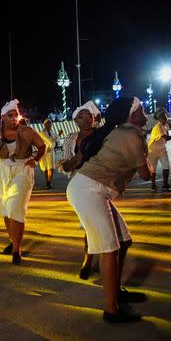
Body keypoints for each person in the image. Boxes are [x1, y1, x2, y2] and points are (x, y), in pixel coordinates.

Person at [66, 96, 152, 323]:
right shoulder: (129, 134)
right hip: (88, 189)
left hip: (93, 189)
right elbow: (146, 174)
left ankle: (116, 292)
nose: (145, 112)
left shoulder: (125, 132)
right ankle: (111, 309)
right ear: (132, 115)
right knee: (110, 247)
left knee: (123, 241)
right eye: (141, 108)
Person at [0, 99, 47, 265]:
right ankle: (13, 241)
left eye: (16, 115)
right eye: (10, 116)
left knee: (16, 208)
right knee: (6, 209)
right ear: (2, 117)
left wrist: (36, 160)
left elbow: (43, 146)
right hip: (2, 171)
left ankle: (16, 250)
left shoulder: (27, 131)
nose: (14, 119)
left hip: (23, 170)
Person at [58, 101, 101, 279]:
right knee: (88, 224)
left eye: (89, 116)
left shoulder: (101, 136)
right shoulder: (71, 139)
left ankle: (92, 260)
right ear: (75, 120)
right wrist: (77, 158)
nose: (87, 119)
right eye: (82, 117)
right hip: (79, 185)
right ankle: (90, 259)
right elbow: (65, 167)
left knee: (95, 223)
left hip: (100, 182)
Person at [148, 109, 171, 191]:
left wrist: (167, 127)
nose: (165, 119)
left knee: (166, 166)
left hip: (162, 149)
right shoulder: (157, 127)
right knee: (153, 168)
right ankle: (153, 185)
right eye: (163, 118)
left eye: (165, 117)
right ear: (159, 119)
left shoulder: (165, 126)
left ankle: (165, 185)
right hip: (152, 150)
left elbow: (166, 137)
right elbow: (167, 138)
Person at [38, 119, 58, 189]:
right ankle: (47, 182)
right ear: (45, 124)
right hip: (44, 152)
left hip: (50, 151)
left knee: (51, 167)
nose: (50, 125)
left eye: (51, 124)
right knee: (45, 168)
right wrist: (57, 136)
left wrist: (53, 141)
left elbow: (53, 141)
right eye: (48, 124)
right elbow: (50, 141)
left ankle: (48, 182)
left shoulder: (52, 132)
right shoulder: (42, 133)